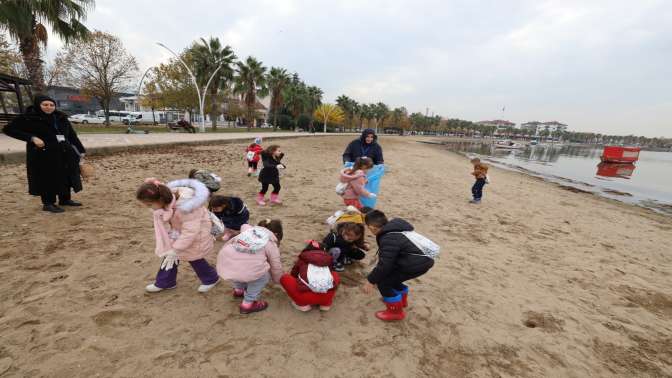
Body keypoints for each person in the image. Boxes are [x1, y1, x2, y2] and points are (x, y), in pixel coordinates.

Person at [3, 95, 86, 213]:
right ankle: (48, 203)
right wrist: (31, 138)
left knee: (65, 174)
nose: (49, 107)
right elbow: (8, 129)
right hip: (43, 154)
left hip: (64, 151)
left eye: (52, 105)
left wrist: (81, 150)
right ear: (38, 105)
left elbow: (72, 135)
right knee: (48, 177)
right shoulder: (29, 118)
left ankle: (65, 199)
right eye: (45, 105)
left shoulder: (60, 117)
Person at [136, 178, 220, 294]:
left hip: (197, 235)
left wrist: (176, 249)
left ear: (160, 200)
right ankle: (166, 282)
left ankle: (211, 278)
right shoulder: (166, 203)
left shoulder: (187, 207)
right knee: (169, 256)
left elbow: (190, 232)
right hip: (178, 232)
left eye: (150, 204)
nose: (149, 208)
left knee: (194, 257)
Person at [362, 210, 434, 321]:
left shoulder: (389, 238)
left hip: (416, 263)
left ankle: (395, 312)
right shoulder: (395, 230)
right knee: (392, 278)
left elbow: (384, 265)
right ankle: (401, 301)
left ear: (372, 227)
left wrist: (371, 280)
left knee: (383, 283)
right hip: (421, 260)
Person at [216, 219, 284, 314]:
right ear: (276, 234)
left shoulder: (247, 231)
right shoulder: (270, 243)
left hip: (227, 261)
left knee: (239, 266)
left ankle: (239, 290)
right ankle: (247, 304)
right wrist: (277, 279)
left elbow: (243, 225)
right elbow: (275, 265)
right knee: (262, 277)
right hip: (246, 269)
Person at [280, 240, 340, 312]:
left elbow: (294, 274)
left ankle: (303, 305)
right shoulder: (328, 260)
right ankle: (325, 305)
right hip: (326, 296)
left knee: (284, 278)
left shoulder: (303, 258)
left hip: (304, 297)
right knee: (335, 274)